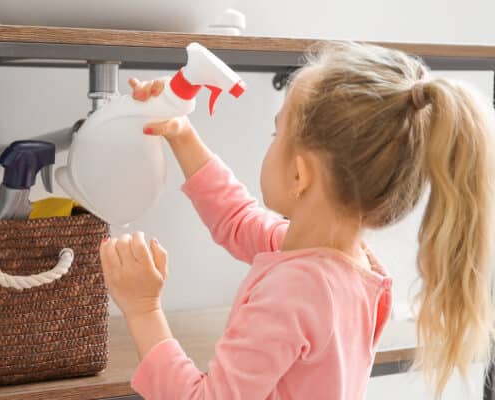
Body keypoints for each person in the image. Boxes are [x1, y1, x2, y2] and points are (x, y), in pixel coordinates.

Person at [100, 41, 495, 399]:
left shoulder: (294, 290)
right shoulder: (344, 263)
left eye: (276, 134)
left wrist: (143, 309)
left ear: (299, 176)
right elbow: (238, 219)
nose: (272, 143)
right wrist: (181, 134)